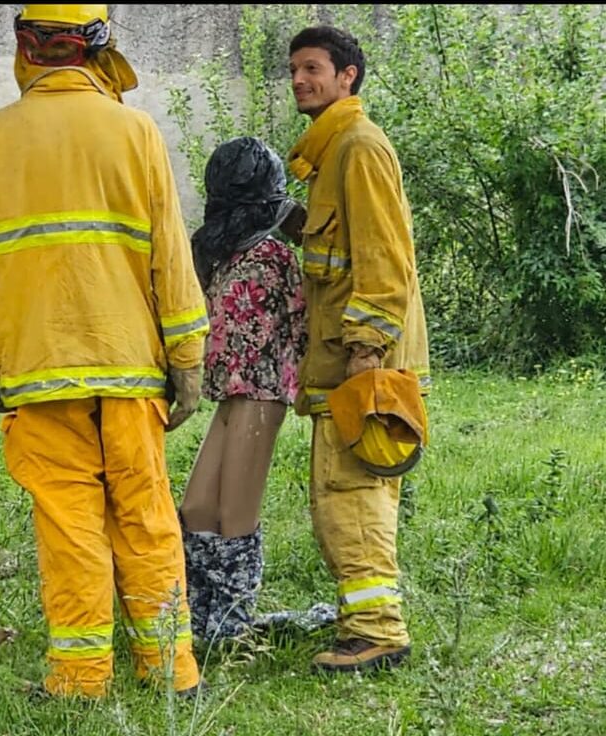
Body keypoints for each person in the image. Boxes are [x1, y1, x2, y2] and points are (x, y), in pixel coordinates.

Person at [0, 4, 209, 699]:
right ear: (97, 48)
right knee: (147, 517)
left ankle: (80, 677)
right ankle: (171, 671)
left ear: (24, 47)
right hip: (130, 370)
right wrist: (187, 359)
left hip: (37, 372)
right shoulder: (136, 131)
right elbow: (171, 257)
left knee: (69, 525)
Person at [286, 25, 430, 673]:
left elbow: (384, 258)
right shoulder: (332, 151)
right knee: (344, 491)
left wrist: (367, 348)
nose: (299, 80)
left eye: (312, 68)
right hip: (344, 361)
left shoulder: (359, 148)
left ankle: (377, 633)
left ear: (348, 77)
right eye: (293, 70)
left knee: (351, 493)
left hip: (362, 363)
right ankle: (362, 624)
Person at [179, 137, 307, 643]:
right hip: (230, 391)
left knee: (235, 513)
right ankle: (199, 615)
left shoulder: (274, 255)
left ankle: (231, 625)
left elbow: (302, 322)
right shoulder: (226, 251)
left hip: (261, 390)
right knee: (196, 510)